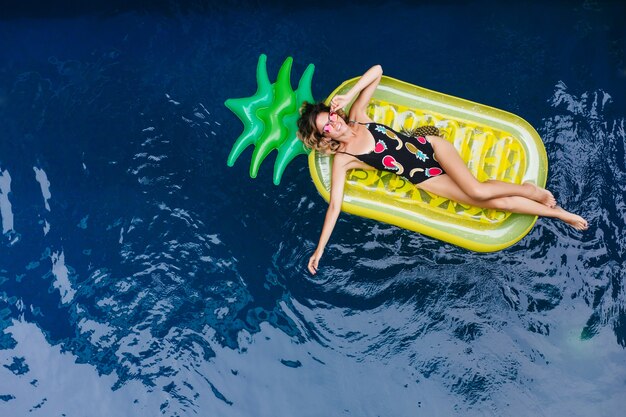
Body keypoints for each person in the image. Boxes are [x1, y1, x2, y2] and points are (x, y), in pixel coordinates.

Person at [296, 65, 588, 275]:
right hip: (423, 178)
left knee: (477, 189)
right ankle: (557, 213)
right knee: (489, 199)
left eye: (330, 117)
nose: (333, 123)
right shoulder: (344, 158)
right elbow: (334, 206)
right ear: (326, 138)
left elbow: (378, 71)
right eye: (327, 128)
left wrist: (350, 95)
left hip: (430, 147)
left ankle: (529, 190)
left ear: (335, 112)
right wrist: (320, 250)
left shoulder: (359, 116)